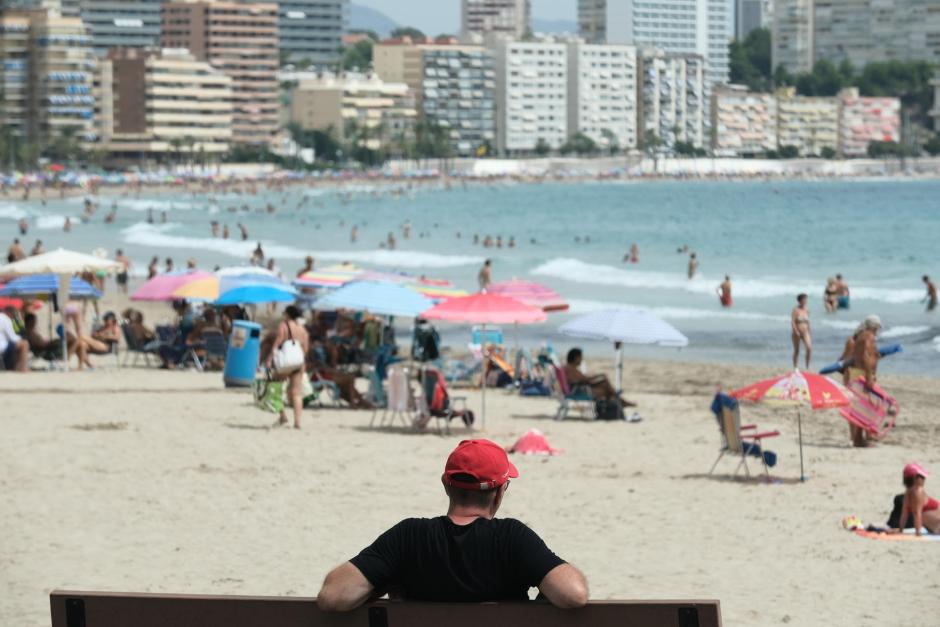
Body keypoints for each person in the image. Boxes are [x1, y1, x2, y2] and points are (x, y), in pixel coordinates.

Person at [316, 439, 589, 611]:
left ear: (446, 485)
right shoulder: (511, 538)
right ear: (500, 492)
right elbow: (574, 595)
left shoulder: (408, 536)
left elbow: (333, 596)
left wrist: (381, 584)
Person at [839, 314, 882, 447]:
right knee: (862, 408)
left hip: (858, 374)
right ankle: (858, 439)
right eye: (877, 328)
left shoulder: (861, 337)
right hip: (862, 374)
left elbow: (866, 355)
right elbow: (864, 357)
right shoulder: (868, 336)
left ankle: (861, 437)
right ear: (873, 327)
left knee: (861, 407)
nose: (877, 332)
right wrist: (869, 376)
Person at [269, 305, 309, 429]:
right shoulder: (302, 329)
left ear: (287, 314)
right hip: (298, 363)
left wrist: (270, 358)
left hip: (285, 363)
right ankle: (297, 422)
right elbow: (305, 348)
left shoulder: (284, 325)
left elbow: (278, 342)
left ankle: (283, 416)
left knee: (274, 388)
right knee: (296, 393)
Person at [563, 348, 634, 408]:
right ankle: (620, 402)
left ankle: (619, 401)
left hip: (580, 389)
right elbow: (583, 380)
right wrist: (598, 376)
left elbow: (582, 379)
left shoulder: (569, 368)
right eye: (580, 357)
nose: (581, 360)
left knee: (604, 384)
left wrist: (599, 377)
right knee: (607, 389)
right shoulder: (570, 369)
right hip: (580, 392)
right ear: (576, 358)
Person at [890, 463, 940, 536]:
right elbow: (915, 513)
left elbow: (905, 513)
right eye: (922, 477)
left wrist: (901, 530)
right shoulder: (917, 492)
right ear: (915, 478)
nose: (924, 479)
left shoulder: (909, 493)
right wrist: (917, 532)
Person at [0, 307, 29, 372]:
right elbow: (12, 337)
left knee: (15, 346)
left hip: (3, 345)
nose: (13, 319)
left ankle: (15, 366)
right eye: (13, 316)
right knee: (24, 344)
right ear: (10, 313)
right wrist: (21, 338)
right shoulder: (5, 319)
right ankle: (23, 368)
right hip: (2, 346)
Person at [791, 293, 812, 369]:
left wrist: (809, 331)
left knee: (809, 348)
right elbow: (793, 322)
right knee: (797, 350)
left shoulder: (807, 310)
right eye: (804, 299)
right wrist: (796, 331)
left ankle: (807, 366)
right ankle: (795, 366)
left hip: (806, 332)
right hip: (797, 332)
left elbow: (808, 321)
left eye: (806, 299)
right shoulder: (796, 310)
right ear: (800, 300)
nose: (806, 301)